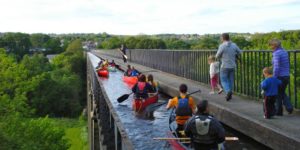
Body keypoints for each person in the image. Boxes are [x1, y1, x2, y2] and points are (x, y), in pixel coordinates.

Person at [269, 39, 293, 115]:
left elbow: (276, 67)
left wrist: (274, 77)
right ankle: (288, 108)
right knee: (281, 92)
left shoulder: (276, 53)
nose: (270, 47)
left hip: (280, 76)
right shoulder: (284, 51)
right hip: (286, 76)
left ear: (275, 46)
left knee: (278, 93)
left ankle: (279, 111)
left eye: (271, 45)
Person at [216, 33, 242, 101]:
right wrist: (234, 54)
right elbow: (240, 52)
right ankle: (229, 94)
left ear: (222, 38)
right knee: (230, 80)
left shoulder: (222, 46)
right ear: (228, 38)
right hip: (233, 66)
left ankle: (228, 91)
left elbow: (217, 56)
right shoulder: (234, 45)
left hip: (224, 66)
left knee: (223, 80)